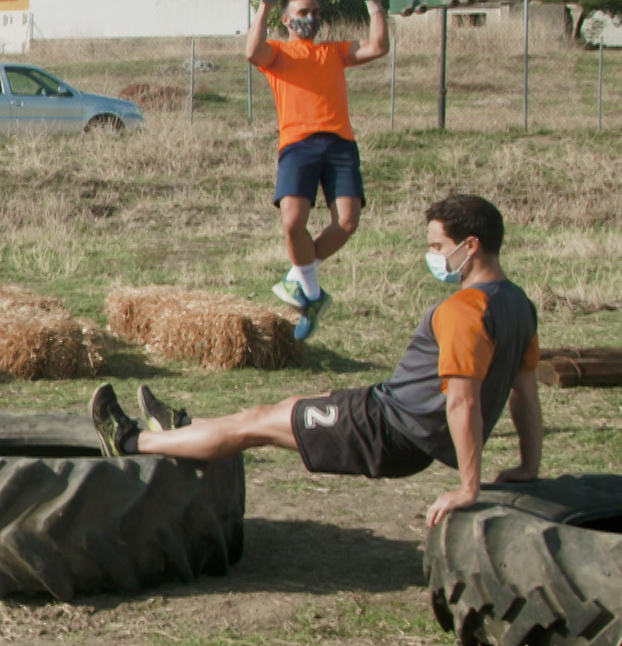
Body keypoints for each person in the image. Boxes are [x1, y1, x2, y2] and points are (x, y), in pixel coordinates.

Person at [90, 195, 541, 529]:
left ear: (472, 245)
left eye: (439, 247)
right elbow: (525, 396)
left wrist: (469, 488)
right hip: (386, 411)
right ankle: (184, 427)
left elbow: (463, 405)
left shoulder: (464, 312)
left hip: (387, 431)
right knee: (288, 405)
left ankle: (130, 442)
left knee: (256, 422)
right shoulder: (519, 305)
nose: (433, 257)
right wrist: (528, 466)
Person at [247, 0, 392, 340]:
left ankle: (299, 279)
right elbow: (252, 52)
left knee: (347, 221)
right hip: (298, 145)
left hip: (340, 145)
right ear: (287, 19)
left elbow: (378, 47)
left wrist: (374, 1)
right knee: (293, 222)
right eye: (302, 12)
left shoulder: (334, 52)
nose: (309, 18)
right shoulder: (278, 54)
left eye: (314, 12)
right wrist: (265, 3)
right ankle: (311, 292)